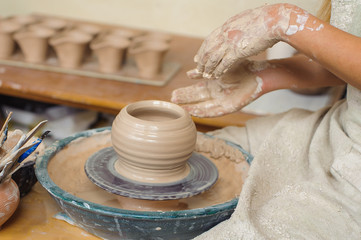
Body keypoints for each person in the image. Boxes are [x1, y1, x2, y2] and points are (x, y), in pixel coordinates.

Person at [171, 0, 361, 239]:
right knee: (195, 154)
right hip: (338, 130)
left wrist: (284, 21)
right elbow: (345, 53)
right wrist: (262, 75)